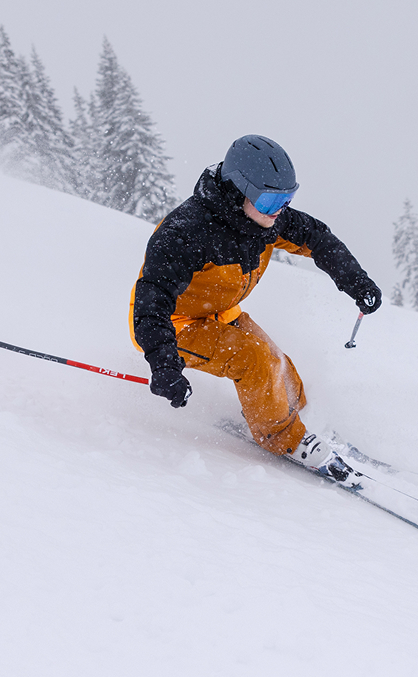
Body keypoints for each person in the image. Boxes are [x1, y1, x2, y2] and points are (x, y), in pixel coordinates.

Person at [129, 135, 381, 473]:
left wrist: (356, 281)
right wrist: (163, 364)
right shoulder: (186, 232)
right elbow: (152, 300)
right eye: (267, 201)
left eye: (286, 199)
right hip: (174, 325)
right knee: (253, 359)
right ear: (237, 191)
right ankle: (282, 436)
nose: (277, 210)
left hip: (221, 313)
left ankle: (301, 418)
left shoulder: (269, 220)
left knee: (276, 360)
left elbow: (318, 239)